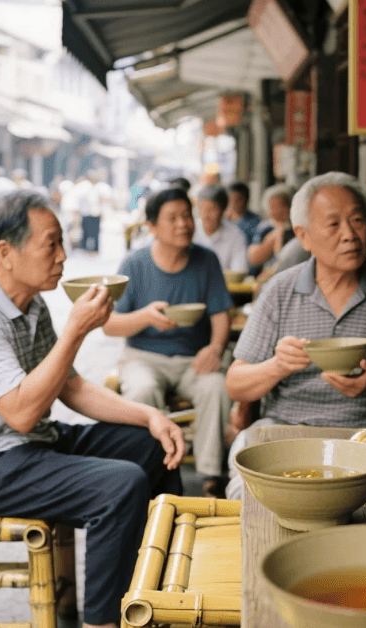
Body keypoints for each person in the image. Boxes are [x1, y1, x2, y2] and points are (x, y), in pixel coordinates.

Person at [0, 189, 185, 628]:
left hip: (28, 445)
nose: (64, 256)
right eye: (52, 243)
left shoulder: (30, 302)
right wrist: (75, 333)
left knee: (152, 446)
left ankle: (153, 596)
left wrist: (150, 415)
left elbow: (70, 386)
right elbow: (22, 412)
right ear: (6, 253)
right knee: (120, 486)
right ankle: (104, 621)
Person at [224, 172, 366, 500]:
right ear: (303, 236)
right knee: (251, 500)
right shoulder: (280, 290)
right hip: (286, 433)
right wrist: (277, 366)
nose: (350, 235)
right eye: (334, 224)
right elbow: (235, 382)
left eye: (358, 220)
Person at [103, 186, 234, 497]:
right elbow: (109, 325)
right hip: (143, 358)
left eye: (187, 216)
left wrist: (215, 348)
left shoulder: (206, 260)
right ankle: (150, 471)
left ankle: (211, 476)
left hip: (193, 359)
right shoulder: (134, 264)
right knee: (142, 390)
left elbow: (221, 315)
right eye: (172, 218)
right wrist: (146, 317)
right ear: (152, 227)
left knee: (216, 387)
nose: (183, 224)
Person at [193, 184, 249, 273]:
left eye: (211, 209)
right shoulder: (191, 230)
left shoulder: (235, 235)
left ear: (223, 210)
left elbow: (239, 271)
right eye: (202, 209)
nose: (205, 215)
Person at [225, 181, 273, 275]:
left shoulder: (256, 223)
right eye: (229, 200)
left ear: (245, 200)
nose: (231, 203)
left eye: (235, 200)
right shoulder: (225, 220)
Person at [247, 183, 296, 270]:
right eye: (272, 206)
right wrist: (276, 235)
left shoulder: (297, 228)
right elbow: (253, 258)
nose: (277, 211)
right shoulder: (265, 227)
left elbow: (281, 258)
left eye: (281, 206)